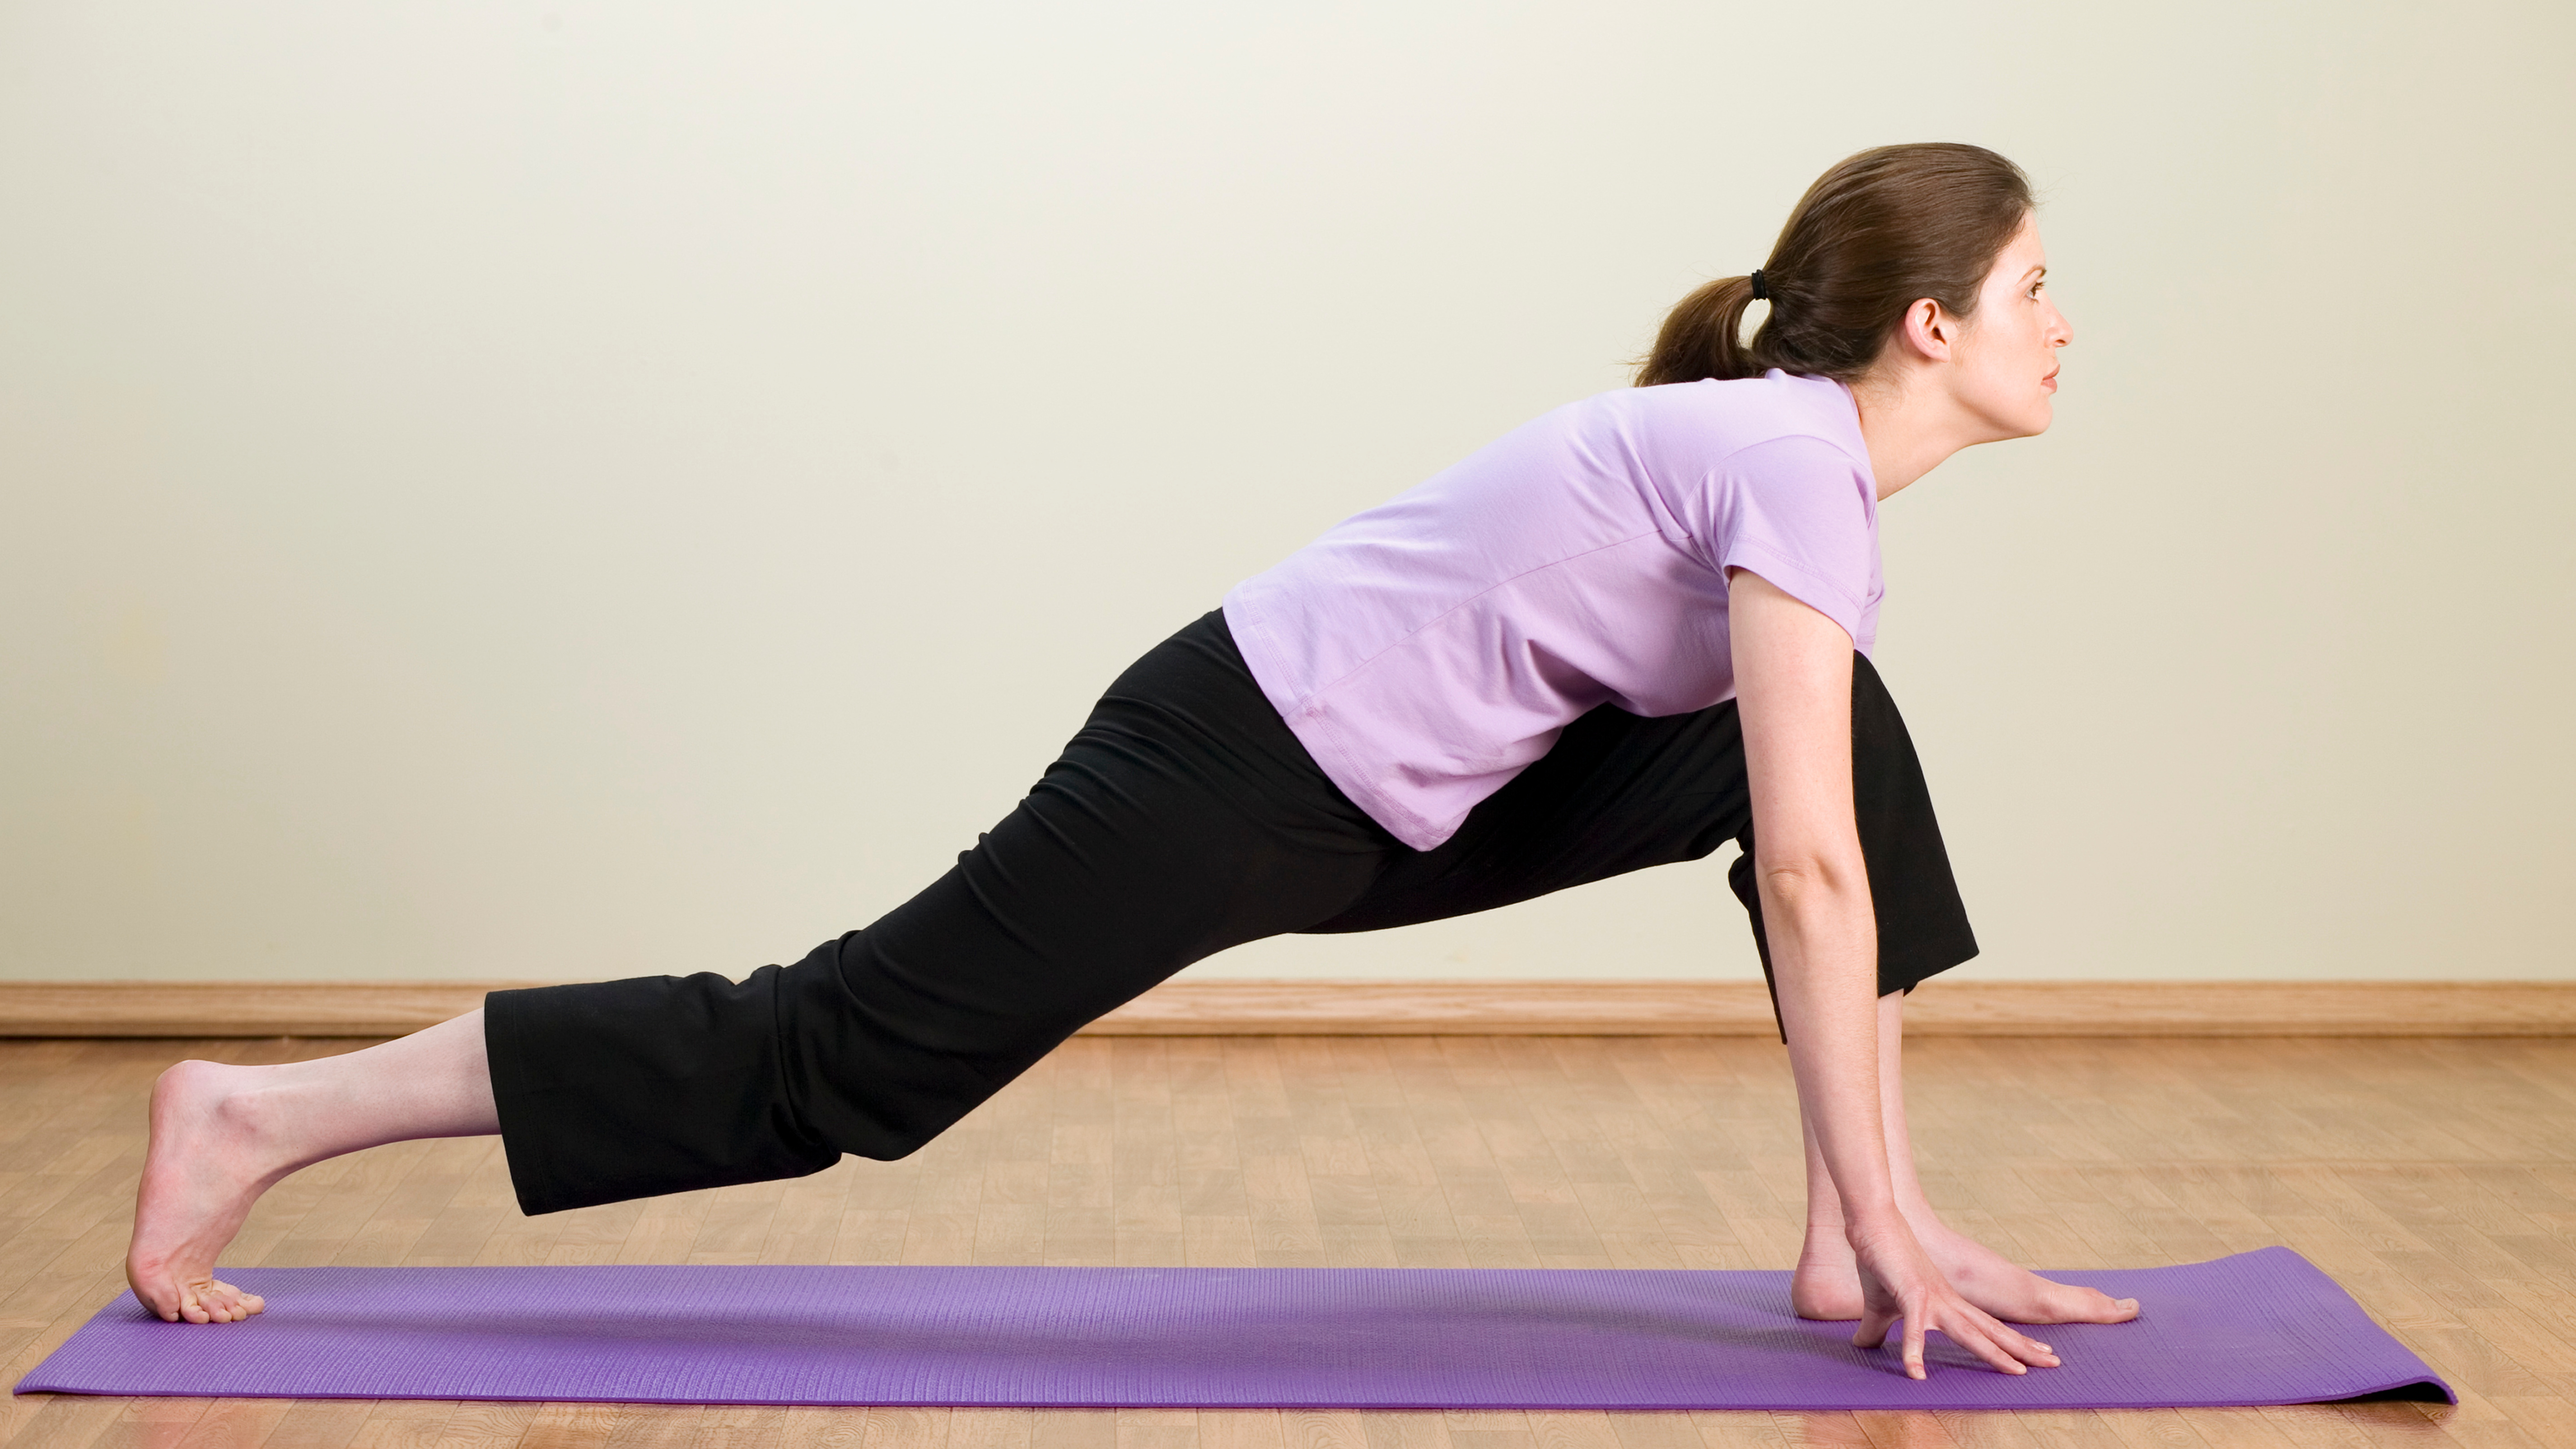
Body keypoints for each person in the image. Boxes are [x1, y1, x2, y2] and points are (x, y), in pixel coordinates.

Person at [122, 141, 2130, 1380]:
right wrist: (1902, 1220)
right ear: (1935, 324)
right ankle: (260, 1116)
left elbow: (1802, 811)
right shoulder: (1791, 454)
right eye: (2038, 288)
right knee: (839, 1059)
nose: (2068, 324)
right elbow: (1803, 875)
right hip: (1239, 753)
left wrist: (1874, 1205)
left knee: (1840, 739)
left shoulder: (1794, 469)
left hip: (1399, 788)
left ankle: (1842, 1232)